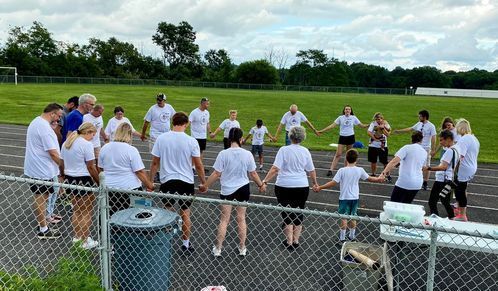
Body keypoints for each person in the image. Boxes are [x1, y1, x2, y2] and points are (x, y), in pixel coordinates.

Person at [202, 128, 266, 257]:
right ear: (241, 139)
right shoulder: (247, 154)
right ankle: (242, 247)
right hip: (243, 188)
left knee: (224, 219)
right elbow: (253, 173)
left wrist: (205, 185)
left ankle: (218, 248)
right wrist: (261, 184)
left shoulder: (223, 154)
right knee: (241, 219)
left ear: (230, 139)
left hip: (227, 189)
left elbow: (216, 173)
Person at [149, 112, 207, 252]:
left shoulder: (162, 139)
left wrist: (150, 182)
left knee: (167, 212)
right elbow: (198, 165)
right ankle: (186, 244)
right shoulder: (191, 141)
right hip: (186, 181)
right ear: (186, 124)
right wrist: (203, 182)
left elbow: (155, 163)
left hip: (167, 180)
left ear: (172, 122)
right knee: (185, 213)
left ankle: (165, 243)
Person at [262, 126, 318, 251]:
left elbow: (275, 169)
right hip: (301, 186)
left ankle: (289, 241)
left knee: (286, 212)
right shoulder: (305, 151)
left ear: (290, 136)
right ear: (302, 137)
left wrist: (265, 181)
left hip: (284, 185)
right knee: (299, 211)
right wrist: (315, 183)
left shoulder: (284, 150)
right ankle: (296, 240)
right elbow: (311, 170)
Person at [313, 149, 384, 242]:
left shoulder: (342, 170)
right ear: (356, 159)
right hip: (355, 198)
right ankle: (352, 236)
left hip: (344, 198)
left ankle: (342, 238)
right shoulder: (360, 170)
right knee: (353, 216)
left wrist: (320, 187)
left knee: (343, 217)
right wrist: (379, 179)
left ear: (346, 158)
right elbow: (370, 178)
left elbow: (333, 182)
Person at [24, 103, 64, 239]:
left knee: (43, 198)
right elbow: (53, 153)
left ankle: (43, 223)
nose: (58, 120)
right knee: (41, 199)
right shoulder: (44, 128)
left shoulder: (36, 121)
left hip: (38, 168)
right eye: (58, 116)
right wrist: (65, 168)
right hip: (41, 170)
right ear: (52, 113)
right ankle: (43, 229)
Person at [99, 123, 154, 216]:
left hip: (109, 189)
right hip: (130, 190)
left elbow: (100, 168)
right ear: (129, 134)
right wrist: (150, 185)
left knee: (109, 216)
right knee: (137, 215)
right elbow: (139, 171)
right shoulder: (131, 150)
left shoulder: (104, 148)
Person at [61, 122, 100, 249]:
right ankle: (84, 241)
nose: (93, 138)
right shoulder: (86, 144)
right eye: (92, 135)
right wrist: (99, 182)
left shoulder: (68, 142)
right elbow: (91, 166)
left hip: (70, 179)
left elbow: (61, 163)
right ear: (88, 132)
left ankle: (77, 238)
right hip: (83, 179)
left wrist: (63, 175)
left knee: (77, 210)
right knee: (86, 212)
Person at [318, 105, 368, 176]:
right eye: (346, 109)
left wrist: (371, 125)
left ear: (351, 111)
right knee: (338, 154)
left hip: (350, 137)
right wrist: (322, 131)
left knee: (348, 155)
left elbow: (362, 126)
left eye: (349, 109)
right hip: (342, 137)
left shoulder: (353, 118)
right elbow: (332, 126)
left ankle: (346, 170)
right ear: (344, 110)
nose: (347, 111)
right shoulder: (340, 118)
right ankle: (331, 170)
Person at [393, 110, 436, 190]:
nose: (418, 117)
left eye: (420, 116)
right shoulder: (419, 124)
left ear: (424, 117)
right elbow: (411, 129)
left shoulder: (431, 126)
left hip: (426, 148)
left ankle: (425, 182)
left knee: (426, 165)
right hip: (417, 147)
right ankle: (415, 177)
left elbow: (433, 138)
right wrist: (399, 131)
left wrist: (433, 150)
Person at [381, 132, 427, 204]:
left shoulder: (407, 148)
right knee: (406, 205)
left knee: (394, 204)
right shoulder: (424, 152)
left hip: (405, 181)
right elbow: (420, 165)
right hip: (417, 183)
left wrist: (383, 174)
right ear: (421, 140)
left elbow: (393, 162)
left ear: (411, 139)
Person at [424, 130, 458, 219]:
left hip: (442, 180)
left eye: (442, 140)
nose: (441, 143)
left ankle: (435, 220)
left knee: (432, 201)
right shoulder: (457, 149)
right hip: (449, 179)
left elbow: (443, 167)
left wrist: (429, 168)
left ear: (449, 139)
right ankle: (452, 217)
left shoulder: (449, 151)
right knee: (445, 200)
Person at [453, 119, 480, 221]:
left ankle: (462, 215)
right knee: (462, 189)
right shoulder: (474, 138)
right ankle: (460, 210)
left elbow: (460, 156)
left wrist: (453, 170)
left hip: (464, 168)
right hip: (472, 166)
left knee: (460, 191)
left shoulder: (464, 139)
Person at [367, 112, 392, 182]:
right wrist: (375, 138)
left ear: (382, 119)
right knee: (373, 161)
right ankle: (373, 174)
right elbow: (368, 132)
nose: (379, 120)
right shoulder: (373, 124)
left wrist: (383, 128)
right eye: (377, 119)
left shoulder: (386, 124)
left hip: (383, 145)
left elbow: (388, 134)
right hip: (373, 145)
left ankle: (388, 175)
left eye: (381, 119)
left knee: (384, 162)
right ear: (375, 119)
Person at [189, 97, 211, 163]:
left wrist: (210, 132)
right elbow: (188, 122)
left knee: (201, 151)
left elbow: (207, 123)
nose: (208, 105)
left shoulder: (207, 113)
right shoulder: (194, 112)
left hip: (203, 136)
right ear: (202, 104)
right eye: (207, 104)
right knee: (194, 151)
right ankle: (192, 167)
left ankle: (200, 166)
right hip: (195, 136)